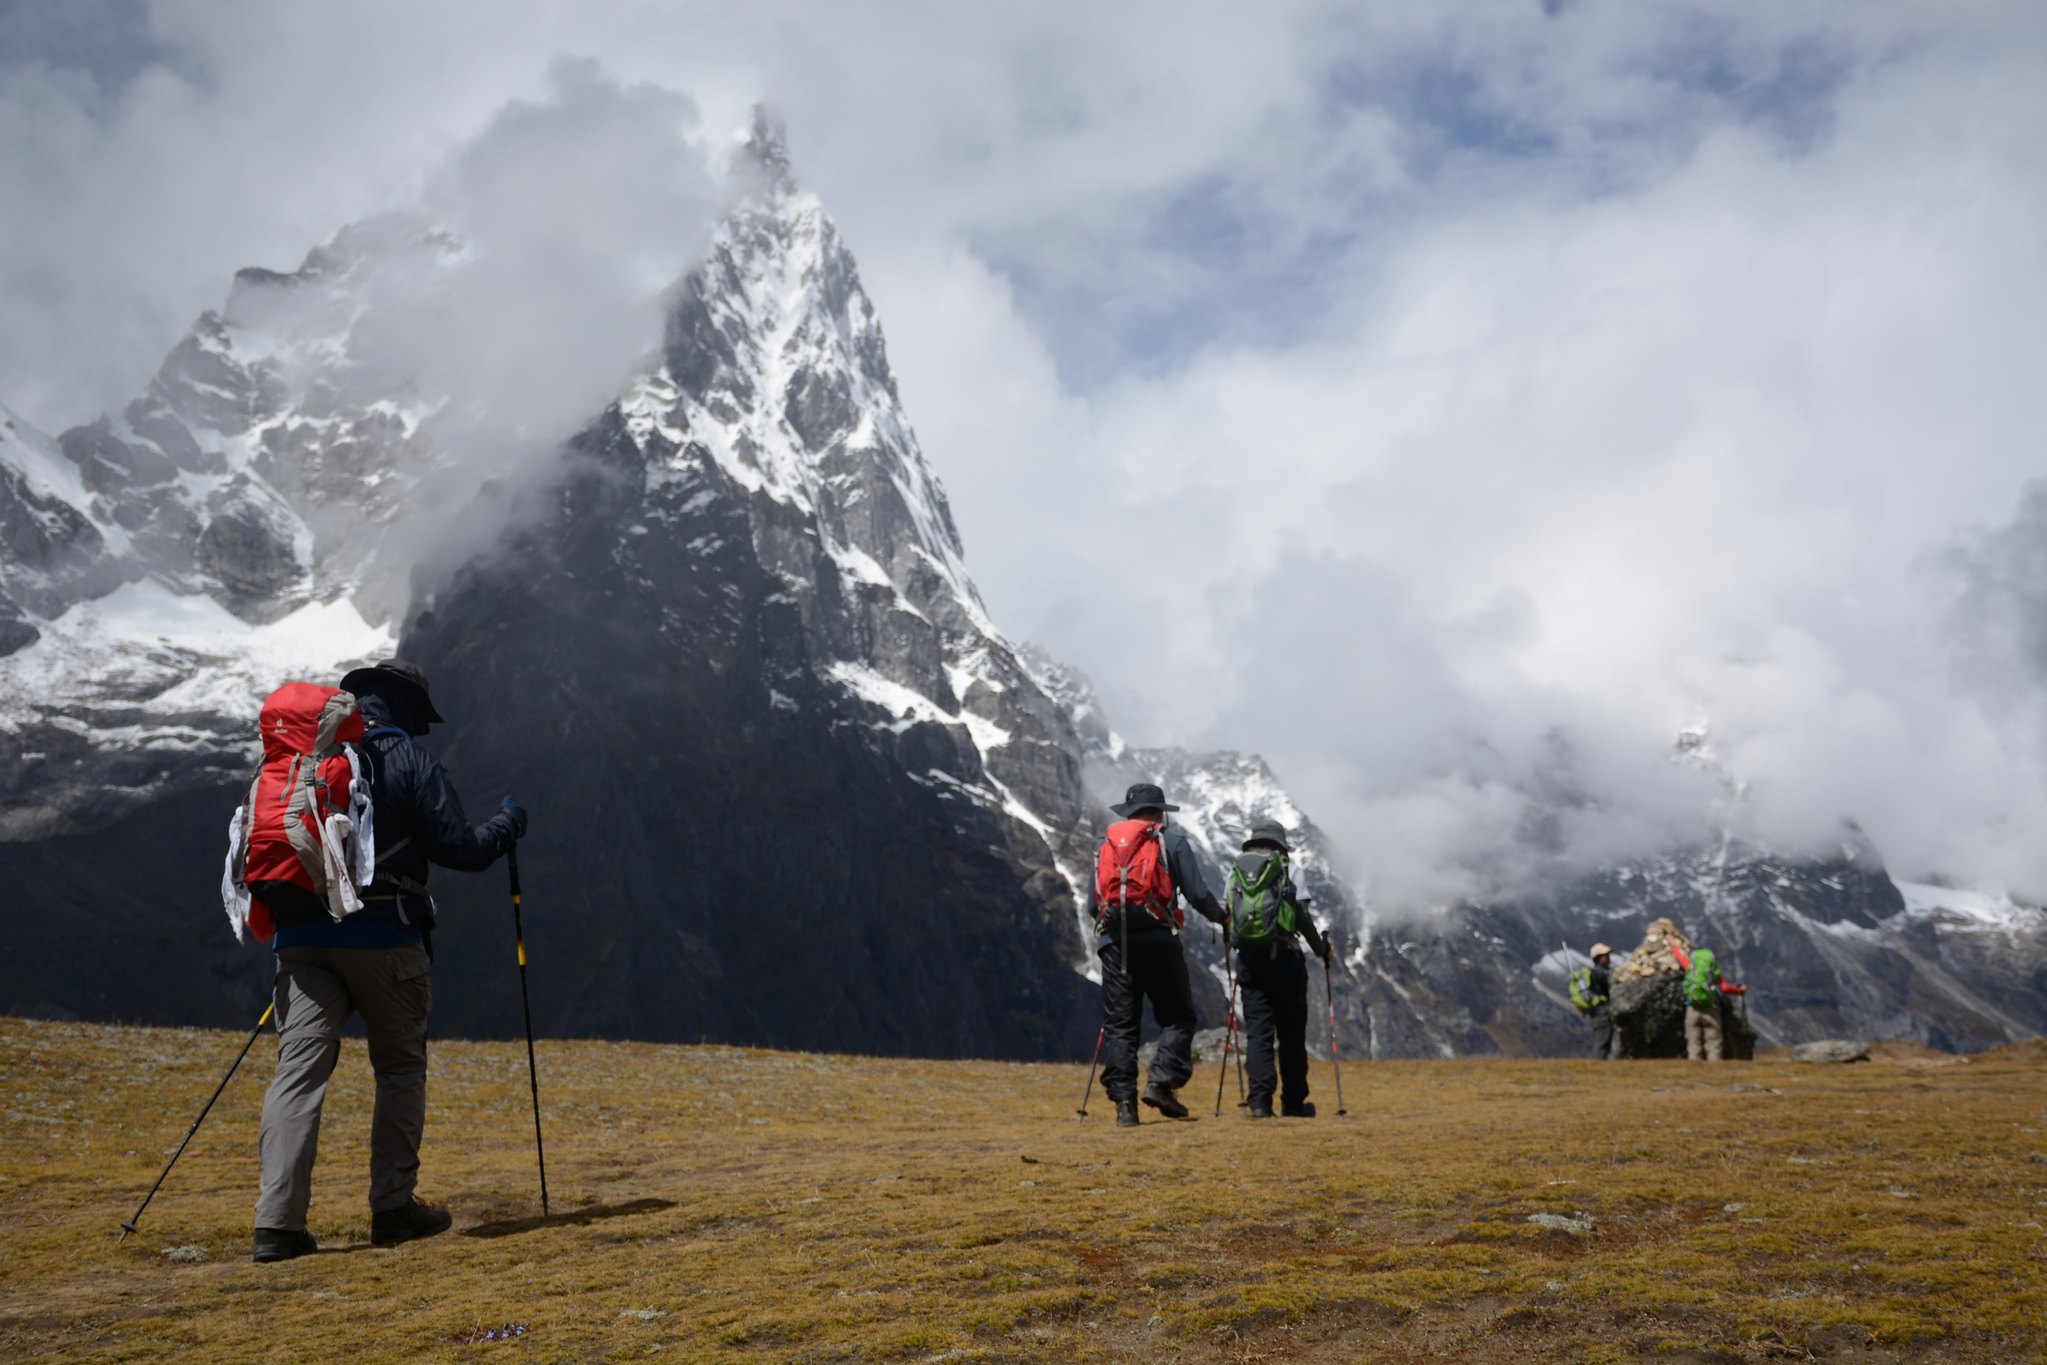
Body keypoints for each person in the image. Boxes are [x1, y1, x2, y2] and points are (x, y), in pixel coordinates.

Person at [251, 659, 527, 1263]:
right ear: (406, 711)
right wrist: (507, 826)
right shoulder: (409, 760)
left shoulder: (304, 760)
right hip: (385, 937)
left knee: (297, 1075)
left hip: (300, 937)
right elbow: (460, 847)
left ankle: (277, 1225)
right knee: (399, 1070)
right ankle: (393, 1210)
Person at [1092, 782, 1229, 1127]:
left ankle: (1124, 1107)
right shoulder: (1171, 842)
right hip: (1159, 941)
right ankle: (1161, 1082)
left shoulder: (1105, 845)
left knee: (1121, 1025)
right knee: (1178, 1017)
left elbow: (1093, 903)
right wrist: (1222, 917)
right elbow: (1197, 894)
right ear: (1159, 813)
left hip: (1116, 945)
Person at [1226, 820, 1333, 1118]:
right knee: (1291, 1033)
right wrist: (1321, 949)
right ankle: (1294, 1103)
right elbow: (1301, 916)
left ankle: (1259, 1102)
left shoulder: (1236, 872)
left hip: (1249, 959)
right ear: (1280, 844)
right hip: (1286, 958)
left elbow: (1228, 913)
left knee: (1258, 1032)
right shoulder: (1290, 869)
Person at [1682, 945, 1745, 1062]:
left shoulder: (1691, 967)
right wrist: (1739, 990)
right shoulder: (1712, 970)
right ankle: (1715, 1069)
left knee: (1693, 1042)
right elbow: (1724, 988)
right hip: (1711, 1009)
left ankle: (1693, 1069)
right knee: (1713, 1042)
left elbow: (1679, 957)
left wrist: (1672, 943)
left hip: (1692, 1009)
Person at [1570, 943, 1615, 1060]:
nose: (1609, 957)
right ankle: (1597, 1067)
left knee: (1604, 1041)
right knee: (1603, 1042)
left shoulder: (1595, 972)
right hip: (1602, 1012)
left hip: (1597, 1012)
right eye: (1606, 955)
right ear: (1600, 958)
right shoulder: (1600, 973)